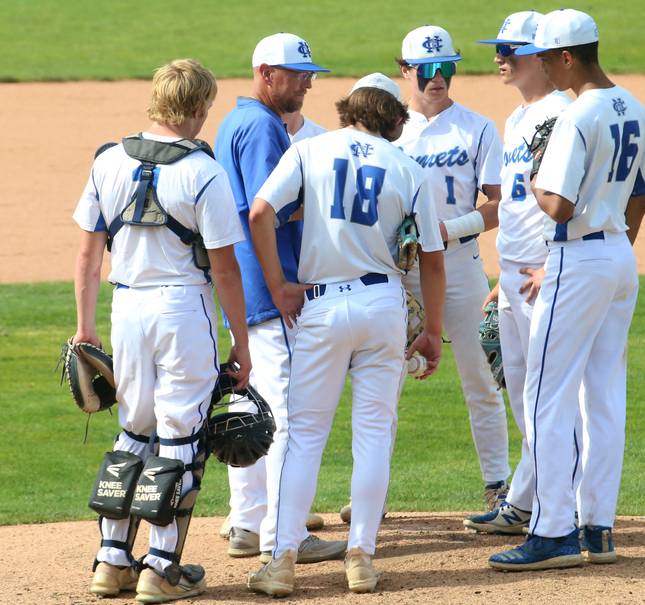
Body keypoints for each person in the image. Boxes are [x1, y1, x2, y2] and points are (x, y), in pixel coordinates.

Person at [246, 73, 445, 596]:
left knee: (305, 436)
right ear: (393, 122)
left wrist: (277, 285)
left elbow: (260, 212)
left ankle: (283, 559)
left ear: (347, 110)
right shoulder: (408, 166)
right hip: (383, 305)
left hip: (321, 303)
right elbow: (432, 259)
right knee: (374, 435)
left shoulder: (312, 148)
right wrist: (433, 331)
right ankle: (361, 556)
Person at [73, 58, 251, 602]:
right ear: (198, 108)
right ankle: (161, 568)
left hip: (125, 311)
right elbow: (224, 268)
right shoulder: (204, 171)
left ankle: (111, 561)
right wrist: (241, 343)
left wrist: (85, 329)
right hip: (182, 311)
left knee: (133, 428)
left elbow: (87, 257)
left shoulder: (108, 161)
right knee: (178, 436)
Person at [488, 8, 645, 571]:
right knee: (603, 395)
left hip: (575, 260)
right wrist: (614, 246)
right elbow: (640, 198)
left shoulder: (576, 116)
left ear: (564, 56)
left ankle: (552, 531)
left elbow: (555, 204)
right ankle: (597, 529)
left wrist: (536, 179)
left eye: (548, 60)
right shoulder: (634, 105)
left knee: (544, 395)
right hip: (619, 255)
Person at [214, 33, 343, 562]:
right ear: (266, 72)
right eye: (298, 74)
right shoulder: (263, 127)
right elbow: (266, 211)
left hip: (242, 289)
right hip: (269, 290)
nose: (309, 83)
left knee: (252, 400)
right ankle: (283, 537)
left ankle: (247, 522)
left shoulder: (235, 123)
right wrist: (281, 284)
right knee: (288, 413)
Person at [464, 11, 573, 536]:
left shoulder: (561, 115)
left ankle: (558, 507)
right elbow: (514, 204)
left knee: (544, 396)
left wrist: (554, 262)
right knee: (521, 395)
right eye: (499, 49)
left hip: (541, 273)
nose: (499, 58)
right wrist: (499, 276)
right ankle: (525, 502)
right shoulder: (518, 118)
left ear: (541, 56)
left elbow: (574, 200)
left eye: (510, 50)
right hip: (512, 275)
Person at [395, 24, 510, 510]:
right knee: (385, 386)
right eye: (427, 69)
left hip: (459, 265)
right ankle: (372, 495)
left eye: (446, 67)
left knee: (480, 379)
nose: (437, 77)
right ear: (406, 71)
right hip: (398, 272)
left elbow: (498, 205)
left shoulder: (477, 128)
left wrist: (449, 229)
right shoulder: (388, 128)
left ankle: (497, 485)